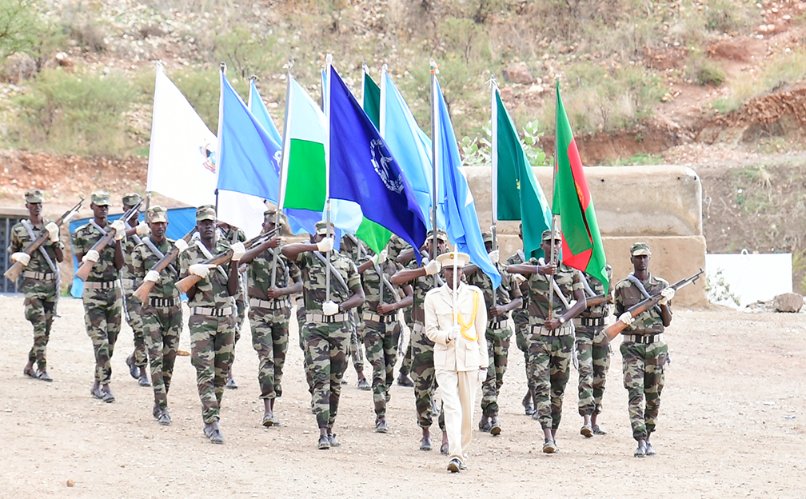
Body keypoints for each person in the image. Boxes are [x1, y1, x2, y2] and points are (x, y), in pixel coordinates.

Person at [282, 221, 364, 449]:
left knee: (335, 382)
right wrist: (315, 247)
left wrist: (340, 307)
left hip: (340, 328)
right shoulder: (308, 258)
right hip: (315, 329)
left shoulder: (346, 263)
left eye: (330, 235)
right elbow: (286, 250)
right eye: (321, 235)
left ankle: (330, 426)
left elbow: (360, 296)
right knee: (320, 379)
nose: (326, 238)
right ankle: (322, 432)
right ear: (315, 237)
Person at [507, 229, 587, 454]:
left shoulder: (571, 271)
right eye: (549, 243)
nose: (553, 246)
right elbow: (508, 269)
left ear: (561, 246)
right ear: (542, 246)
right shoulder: (534, 268)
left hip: (563, 338)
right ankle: (547, 436)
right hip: (539, 339)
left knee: (558, 390)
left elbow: (582, 302)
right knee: (541, 386)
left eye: (557, 242)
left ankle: (554, 431)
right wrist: (539, 270)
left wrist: (561, 319)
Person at [178, 205, 243, 444]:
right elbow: (188, 292)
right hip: (202, 319)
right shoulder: (189, 254)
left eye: (211, 222)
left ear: (216, 224)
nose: (208, 226)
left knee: (221, 371)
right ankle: (211, 421)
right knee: (204, 369)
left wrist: (234, 262)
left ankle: (214, 413)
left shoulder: (227, 249)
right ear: (197, 226)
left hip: (226, 318)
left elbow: (233, 290)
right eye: (203, 223)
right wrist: (195, 273)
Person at [424, 251, 488, 473]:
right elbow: (430, 331)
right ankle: (455, 454)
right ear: (443, 272)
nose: (454, 273)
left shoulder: (475, 295)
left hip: (469, 358)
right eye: (449, 270)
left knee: (467, 411)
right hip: (445, 358)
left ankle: (462, 450)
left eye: (458, 269)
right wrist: (446, 336)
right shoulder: (433, 297)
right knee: (451, 407)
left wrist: (484, 363)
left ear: (463, 272)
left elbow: (480, 332)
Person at [238, 208, 301, 427]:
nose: (274, 229)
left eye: (277, 226)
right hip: (260, 312)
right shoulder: (255, 248)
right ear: (263, 226)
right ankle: (267, 410)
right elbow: (240, 262)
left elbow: (301, 283)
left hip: (281, 312)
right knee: (266, 358)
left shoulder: (287, 252)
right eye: (270, 225)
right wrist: (264, 245)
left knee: (279, 361)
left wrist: (283, 291)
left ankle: (274, 401)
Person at [613, 242, 673, 458]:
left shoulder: (661, 285)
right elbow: (617, 320)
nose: (642, 260)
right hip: (632, 347)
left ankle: (648, 436)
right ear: (632, 259)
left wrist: (664, 303)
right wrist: (625, 319)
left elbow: (667, 322)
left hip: (656, 347)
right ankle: (639, 439)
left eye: (645, 256)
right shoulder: (622, 287)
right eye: (638, 257)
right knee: (635, 392)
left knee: (654, 395)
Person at [390, 230, 447, 452]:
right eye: (433, 242)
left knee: (449, 388)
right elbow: (396, 279)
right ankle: (425, 431)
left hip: (447, 338)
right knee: (422, 388)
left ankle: (446, 435)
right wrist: (424, 269)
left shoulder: (453, 269)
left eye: (441, 242)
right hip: (423, 337)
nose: (437, 246)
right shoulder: (419, 266)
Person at [463, 232, 522, 436]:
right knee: (488, 373)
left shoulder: (504, 272)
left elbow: (518, 299)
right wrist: (481, 262)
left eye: (491, 246)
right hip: (483, 330)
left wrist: (504, 308)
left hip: (502, 330)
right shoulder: (473, 272)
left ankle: (485, 414)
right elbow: (459, 276)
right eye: (485, 247)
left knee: (499, 374)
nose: (489, 250)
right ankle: (494, 415)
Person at [131, 206, 183, 425]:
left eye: (163, 223)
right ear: (149, 225)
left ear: (167, 224)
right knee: (155, 357)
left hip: (174, 309)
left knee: (169, 358)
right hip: (151, 309)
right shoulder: (140, 250)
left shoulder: (176, 248)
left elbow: (183, 276)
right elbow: (136, 283)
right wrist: (148, 279)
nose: (160, 227)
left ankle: (160, 399)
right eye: (155, 224)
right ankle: (162, 406)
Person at [72, 191, 124, 403]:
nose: (103, 209)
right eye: (99, 206)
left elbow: (120, 264)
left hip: (113, 292)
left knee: (110, 341)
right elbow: (80, 263)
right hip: (93, 292)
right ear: (92, 207)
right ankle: (105, 385)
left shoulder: (115, 230)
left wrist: (117, 240)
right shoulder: (82, 233)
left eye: (106, 206)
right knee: (100, 341)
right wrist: (90, 256)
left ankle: (96, 382)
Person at [356, 236, 413, 433]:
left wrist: (394, 306)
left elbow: (411, 296)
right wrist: (371, 262)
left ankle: (383, 393)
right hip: (372, 325)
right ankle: (381, 416)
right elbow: (351, 276)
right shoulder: (364, 265)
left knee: (389, 369)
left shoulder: (395, 267)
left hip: (392, 326)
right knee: (379, 368)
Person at [9, 189, 64, 382]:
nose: (36, 207)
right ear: (27, 206)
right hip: (32, 286)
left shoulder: (51, 227)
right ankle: (42, 368)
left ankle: (29, 365)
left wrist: (55, 240)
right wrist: (17, 256)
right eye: (33, 204)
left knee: (45, 332)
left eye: (39, 204)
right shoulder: (18, 229)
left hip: (50, 285)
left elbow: (60, 258)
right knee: (40, 327)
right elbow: (12, 252)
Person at [574, 267, 613, 437]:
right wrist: (600, 299)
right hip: (582, 330)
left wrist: (606, 298)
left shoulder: (605, 270)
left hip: (602, 330)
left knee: (600, 375)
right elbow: (575, 303)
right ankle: (587, 420)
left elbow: (611, 297)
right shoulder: (575, 272)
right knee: (585, 372)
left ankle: (595, 419)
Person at [119, 192, 151, 387]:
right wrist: (134, 232)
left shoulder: (147, 229)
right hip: (129, 285)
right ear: (124, 209)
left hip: (146, 284)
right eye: (130, 208)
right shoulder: (118, 229)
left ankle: (134, 359)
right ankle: (142, 370)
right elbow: (115, 241)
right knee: (139, 329)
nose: (134, 212)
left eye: (137, 208)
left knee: (150, 329)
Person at [505, 224, 536, 416]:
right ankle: (536, 399)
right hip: (523, 315)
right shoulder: (513, 261)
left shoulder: (545, 260)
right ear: (520, 236)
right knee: (531, 352)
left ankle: (530, 396)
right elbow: (509, 288)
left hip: (542, 315)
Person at [218, 221, 247, 390]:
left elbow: (246, 259)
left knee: (234, 332)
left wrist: (236, 268)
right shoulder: (209, 231)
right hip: (218, 290)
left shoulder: (238, 234)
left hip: (237, 290)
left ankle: (227, 367)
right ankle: (223, 370)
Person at [339, 234, 371, 390]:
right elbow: (349, 270)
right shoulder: (339, 240)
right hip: (347, 297)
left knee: (359, 334)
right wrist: (371, 262)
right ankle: (360, 374)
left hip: (364, 295)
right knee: (352, 336)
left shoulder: (365, 239)